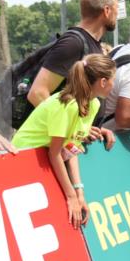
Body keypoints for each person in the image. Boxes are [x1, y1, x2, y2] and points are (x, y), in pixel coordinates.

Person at [13, 55, 115, 229]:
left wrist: (79, 192)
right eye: (114, 79)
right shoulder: (67, 105)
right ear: (103, 82)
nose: (115, 85)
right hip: (23, 157)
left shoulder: (94, 104)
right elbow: (55, 153)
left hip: (44, 157)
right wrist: (71, 197)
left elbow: (72, 147)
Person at [27, 0, 117, 108]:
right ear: (107, 11)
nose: (117, 14)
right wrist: (68, 127)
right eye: (116, 8)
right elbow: (37, 93)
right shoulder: (73, 43)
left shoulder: (91, 43)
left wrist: (84, 127)